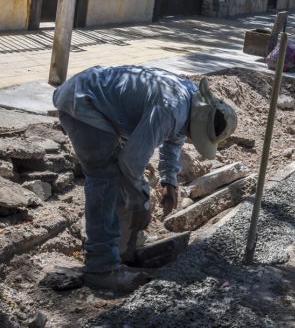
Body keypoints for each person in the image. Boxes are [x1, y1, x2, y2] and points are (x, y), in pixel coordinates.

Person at [53, 66, 237, 292]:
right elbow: (131, 161)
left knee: (121, 180)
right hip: (82, 103)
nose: (191, 137)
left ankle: (122, 247)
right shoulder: (171, 107)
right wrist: (141, 200)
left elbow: (176, 134)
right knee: (105, 179)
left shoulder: (193, 101)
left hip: (99, 100)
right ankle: (102, 270)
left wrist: (170, 179)